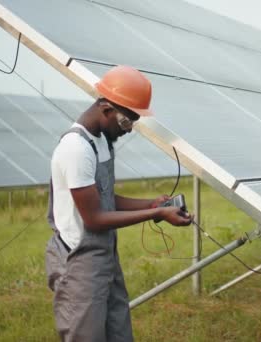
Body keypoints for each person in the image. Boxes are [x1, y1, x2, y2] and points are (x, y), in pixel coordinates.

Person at [45, 65, 192, 341]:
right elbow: (95, 218)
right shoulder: (76, 149)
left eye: (134, 123)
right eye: (126, 122)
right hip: (79, 264)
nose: (128, 130)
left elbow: (107, 199)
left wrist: (151, 204)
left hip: (105, 257)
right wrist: (157, 214)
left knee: (119, 333)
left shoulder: (101, 141)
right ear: (105, 108)